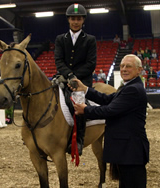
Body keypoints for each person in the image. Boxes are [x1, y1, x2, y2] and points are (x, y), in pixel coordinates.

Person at [68, 54, 149, 188]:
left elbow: (109, 110)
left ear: (139, 70)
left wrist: (86, 110)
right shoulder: (127, 87)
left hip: (131, 150)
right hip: (127, 150)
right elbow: (107, 99)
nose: (124, 69)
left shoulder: (133, 90)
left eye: (128, 66)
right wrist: (86, 89)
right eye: (122, 66)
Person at [54, 3, 97, 155]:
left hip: (82, 82)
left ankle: (78, 140)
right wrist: (69, 76)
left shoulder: (90, 40)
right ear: (68, 20)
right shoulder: (60, 39)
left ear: (83, 20)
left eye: (78, 19)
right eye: (73, 19)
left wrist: (76, 79)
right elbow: (59, 61)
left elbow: (91, 64)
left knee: (78, 106)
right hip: (65, 79)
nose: (75, 22)